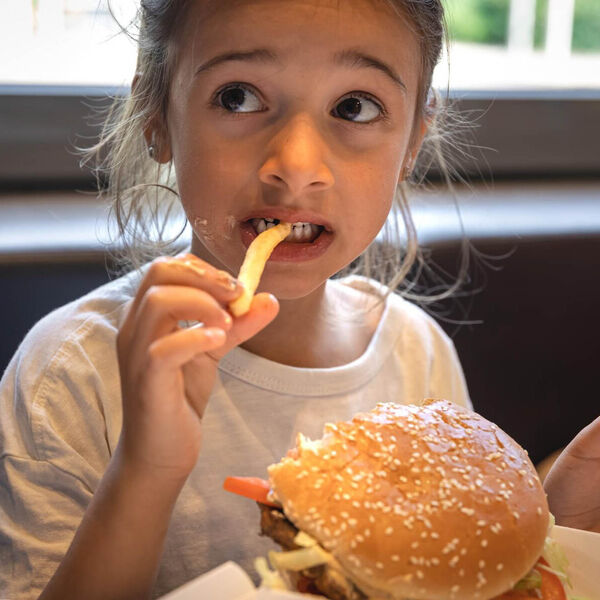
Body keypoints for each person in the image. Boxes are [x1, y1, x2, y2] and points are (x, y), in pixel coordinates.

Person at [0, 1, 587, 599]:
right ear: (157, 116)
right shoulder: (72, 373)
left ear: (413, 139)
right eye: (237, 98)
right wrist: (145, 469)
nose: (298, 167)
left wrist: (551, 524)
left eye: (354, 107)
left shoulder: (419, 354)